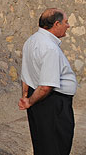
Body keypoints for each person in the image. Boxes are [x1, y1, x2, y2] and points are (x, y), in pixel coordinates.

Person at [19, 8, 76, 155]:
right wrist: (30, 101)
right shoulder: (50, 48)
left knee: (42, 145)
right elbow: (46, 86)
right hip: (52, 103)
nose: (68, 26)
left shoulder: (31, 41)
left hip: (37, 99)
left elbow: (26, 74)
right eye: (66, 22)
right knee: (56, 147)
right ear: (56, 24)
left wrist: (26, 97)